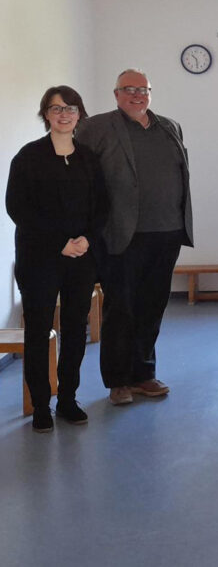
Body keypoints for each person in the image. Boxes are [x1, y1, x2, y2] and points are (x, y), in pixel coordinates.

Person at [76, 69, 193, 406]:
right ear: (116, 94)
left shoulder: (169, 127)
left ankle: (143, 373)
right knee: (121, 308)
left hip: (168, 231)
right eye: (128, 89)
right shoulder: (96, 127)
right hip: (122, 234)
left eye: (143, 89)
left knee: (153, 306)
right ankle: (117, 381)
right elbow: (83, 179)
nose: (137, 95)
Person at [6, 86, 106, 432]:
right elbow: (18, 208)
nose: (64, 114)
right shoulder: (28, 157)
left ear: (80, 114)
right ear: (46, 115)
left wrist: (86, 240)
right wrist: (59, 242)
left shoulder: (89, 158)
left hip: (81, 257)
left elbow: (102, 207)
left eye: (70, 108)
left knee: (76, 329)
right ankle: (40, 405)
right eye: (56, 109)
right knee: (38, 330)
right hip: (39, 258)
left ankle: (67, 399)